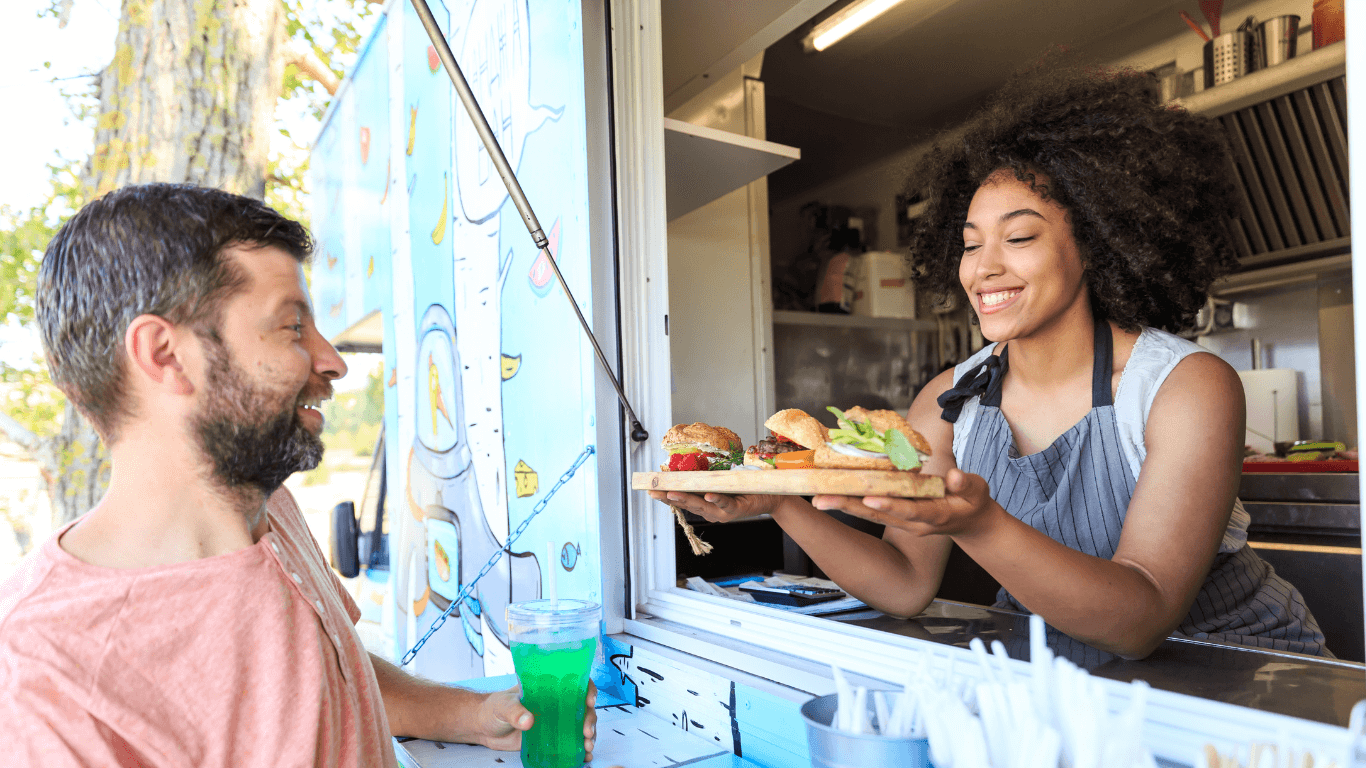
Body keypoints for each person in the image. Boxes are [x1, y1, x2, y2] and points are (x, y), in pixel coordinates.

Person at [653, 64, 1328, 663]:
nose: (985, 268)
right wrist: (784, 500)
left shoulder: (1181, 384)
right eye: (971, 244)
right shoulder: (950, 402)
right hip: (1066, 687)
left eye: (1021, 237)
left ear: (1096, 243)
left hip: (1251, 678)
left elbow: (1141, 619)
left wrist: (979, 522)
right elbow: (905, 585)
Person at [1, 183, 601, 765]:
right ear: (166, 356)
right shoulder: (42, 676)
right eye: (292, 327)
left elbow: (330, 675)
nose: (332, 361)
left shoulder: (269, 508)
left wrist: (473, 715)